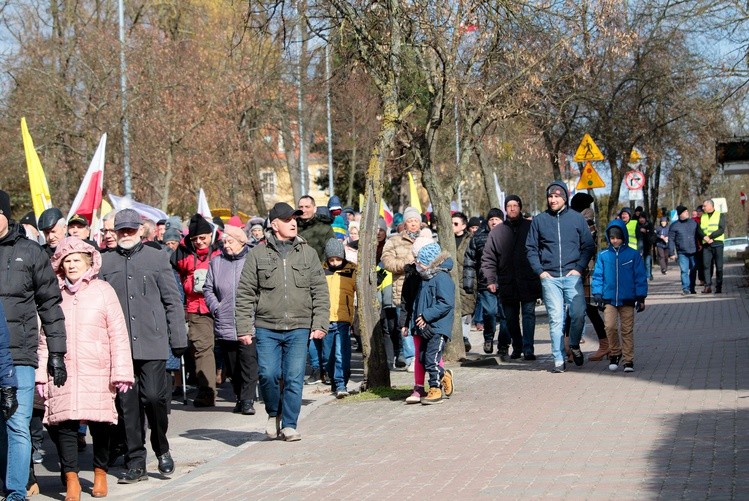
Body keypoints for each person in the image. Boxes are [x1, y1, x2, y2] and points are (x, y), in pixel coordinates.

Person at [38, 238, 133, 500]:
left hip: (98, 369)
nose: (71, 265)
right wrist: (39, 375)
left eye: (76, 260)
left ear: (89, 262)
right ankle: (71, 479)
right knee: (64, 426)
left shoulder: (103, 291)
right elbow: (44, 336)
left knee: (100, 424)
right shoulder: (53, 293)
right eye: (66, 261)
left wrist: (122, 371)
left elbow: (118, 333)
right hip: (62, 371)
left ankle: (100, 472)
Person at [99, 209, 188, 484]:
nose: (125, 235)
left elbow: (172, 301)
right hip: (120, 346)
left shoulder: (158, 258)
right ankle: (135, 461)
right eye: (121, 230)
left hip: (153, 341)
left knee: (153, 398)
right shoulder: (104, 262)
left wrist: (178, 338)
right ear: (114, 232)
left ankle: (161, 448)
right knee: (127, 407)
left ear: (140, 230)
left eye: (130, 230)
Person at [235, 202, 330, 442]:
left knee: (294, 376)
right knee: (267, 374)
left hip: (299, 326)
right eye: (288, 219)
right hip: (267, 327)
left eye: (295, 219)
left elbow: (320, 290)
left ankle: (289, 424)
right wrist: (244, 327)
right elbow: (246, 292)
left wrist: (320, 323)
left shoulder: (308, 253)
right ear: (274, 224)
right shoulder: (258, 254)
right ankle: (273, 412)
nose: (294, 223)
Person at [0, 191, 67, 501]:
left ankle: (16, 490)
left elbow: (50, 305)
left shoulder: (29, 253)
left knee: (17, 421)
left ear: (6, 215)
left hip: (20, 354)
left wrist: (57, 353)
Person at [526, 181, 595, 373]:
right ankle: (558, 358)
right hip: (550, 278)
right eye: (550, 196)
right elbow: (531, 248)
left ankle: (573, 344)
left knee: (578, 313)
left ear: (564, 197)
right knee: (556, 319)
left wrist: (579, 268)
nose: (553, 199)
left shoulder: (576, 219)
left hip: (572, 275)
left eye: (557, 196)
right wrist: (541, 271)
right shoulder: (539, 220)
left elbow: (588, 245)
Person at [203, 219, 258, 415]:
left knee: (248, 362)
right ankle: (239, 395)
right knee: (233, 366)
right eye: (224, 242)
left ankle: (247, 400)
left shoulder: (253, 258)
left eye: (230, 242)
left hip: (249, 320)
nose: (226, 245)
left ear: (241, 241)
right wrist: (215, 307)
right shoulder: (217, 262)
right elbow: (208, 288)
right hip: (225, 320)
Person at [171, 214, 221, 407]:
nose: (199, 242)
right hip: (196, 307)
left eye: (203, 238)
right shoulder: (182, 254)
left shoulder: (220, 251)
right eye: (195, 239)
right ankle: (207, 391)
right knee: (202, 349)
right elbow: (174, 274)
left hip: (223, 306)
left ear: (210, 235)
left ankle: (244, 392)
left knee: (232, 349)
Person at [482, 196, 541, 360]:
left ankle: (528, 348)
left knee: (529, 314)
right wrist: (491, 280)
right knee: (511, 318)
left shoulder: (531, 227)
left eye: (515, 205)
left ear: (520, 207)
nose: (512, 208)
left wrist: (541, 272)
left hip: (528, 280)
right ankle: (517, 345)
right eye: (509, 206)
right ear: (505, 209)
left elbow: (540, 250)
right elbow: (488, 258)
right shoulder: (498, 232)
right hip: (507, 282)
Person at [400, 238, 455, 405]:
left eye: (419, 261)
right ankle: (444, 375)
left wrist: (426, 315)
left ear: (429, 262)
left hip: (439, 327)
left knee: (432, 358)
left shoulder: (441, 278)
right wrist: (414, 321)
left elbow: (445, 303)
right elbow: (415, 302)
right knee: (423, 358)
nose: (416, 264)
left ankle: (435, 388)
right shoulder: (425, 278)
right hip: (425, 327)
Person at [591, 220, 648, 372]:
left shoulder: (633, 255)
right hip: (609, 298)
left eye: (618, 237)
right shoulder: (603, 255)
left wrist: (640, 297)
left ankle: (628, 360)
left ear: (624, 237)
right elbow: (597, 276)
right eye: (612, 238)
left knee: (627, 330)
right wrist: (597, 294)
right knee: (609, 327)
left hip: (628, 299)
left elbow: (640, 277)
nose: (615, 240)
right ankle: (615, 353)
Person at [381, 207, 422, 370]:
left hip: (422, 288)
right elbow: (387, 262)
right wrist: (405, 264)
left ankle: (422, 355)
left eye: (415, 221)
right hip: (402, 289)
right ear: (404, 224)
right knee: (404, 324)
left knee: (421, 323)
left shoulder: (427, 239)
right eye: (410, 221)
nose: (413, 224)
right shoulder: (394, 241)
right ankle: (411, 357)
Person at [463, 208, 508, 356]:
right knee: (490, 312)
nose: (494, 222)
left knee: (506, 316)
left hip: (506, 282)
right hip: (486, 282)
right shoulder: (478, 237)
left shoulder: (509, 234)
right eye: (491, 219)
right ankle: (488, 337)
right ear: (487, 222)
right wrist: (468, 283)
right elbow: (469, 261)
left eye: (497, 219)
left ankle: (503, 345)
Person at [320, 238, 356, 398]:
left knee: (342, 353)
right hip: (325, 319)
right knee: (327, 356)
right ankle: (334, 381)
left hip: (343, 318)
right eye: (331, 259)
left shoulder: (351, 270)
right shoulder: (321, 271)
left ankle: (341, 383)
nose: (334, 262)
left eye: (338, 259)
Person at [451, 212, 474, 353]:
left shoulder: (471, 240)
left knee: (466, 310)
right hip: (451, 279)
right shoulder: (446, 239)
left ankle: (465, 337)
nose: (453, 226)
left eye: (456, 223)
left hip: (467, 278)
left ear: (464, 226)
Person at [668, 205, 699, 295]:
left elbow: (698, 235)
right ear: (680, 214)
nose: (687, 213)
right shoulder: (674, 226)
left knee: (693, 270)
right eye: (685, 212)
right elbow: (671, 240)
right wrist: (671, 253)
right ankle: (686, 288)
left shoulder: (693, 223)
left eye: (687, 211)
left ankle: (692, 287)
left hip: (693, 251)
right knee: (684, 270)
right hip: (682, 252)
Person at [698, 199, 725, 294]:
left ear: (710, 206)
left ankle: (718, 287)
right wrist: (704, 238)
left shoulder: (720, 215)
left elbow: (721, 229)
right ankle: (707, 286)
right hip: (706, 245)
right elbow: (700, 229)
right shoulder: (703, 216)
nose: (703, 208)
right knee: (706, 266)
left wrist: (709, 237)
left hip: (717, 244)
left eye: (704, 206)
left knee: (719, 267)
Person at [296, 195, 335, 262]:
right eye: (300, 207)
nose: (303, 210)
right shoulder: (292, 226)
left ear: (315, 209)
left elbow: (333, 251)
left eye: (307, 207)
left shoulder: (325, 228)